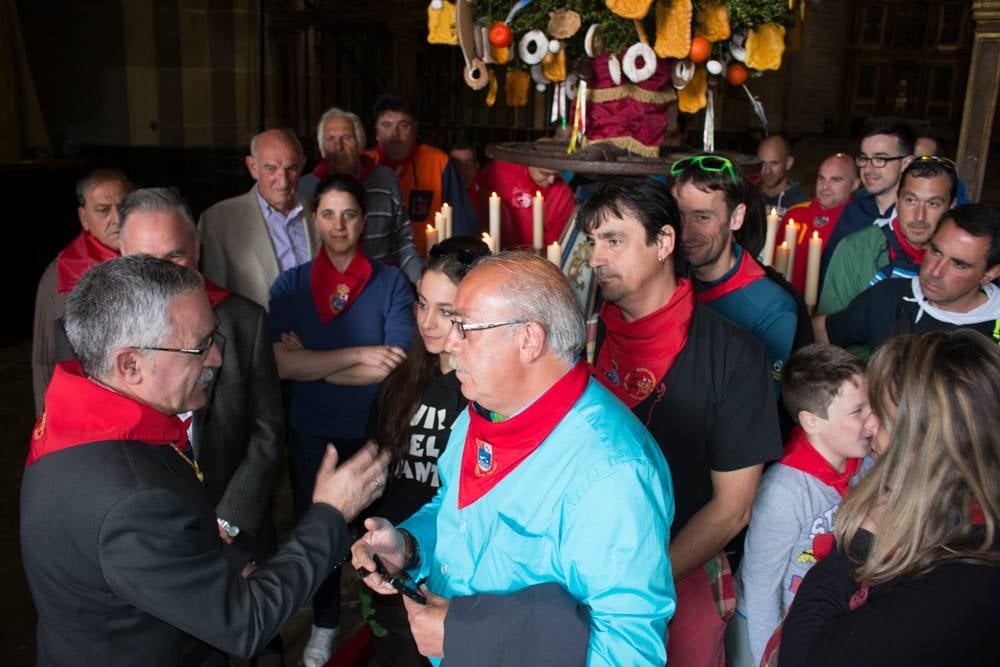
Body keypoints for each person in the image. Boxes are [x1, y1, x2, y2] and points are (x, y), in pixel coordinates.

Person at [20, 254, 389, 666]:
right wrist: (330, 513)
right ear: (130, 364)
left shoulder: (75, 423)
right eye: (199, 347)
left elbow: (149, 555)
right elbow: (244, 623)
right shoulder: (130, 497)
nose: (216, 359)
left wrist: (217, 554)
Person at [352, 251, 675, 666]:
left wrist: (466, 638)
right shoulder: (480, 414)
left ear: (529, 339)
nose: (450, 343)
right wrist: (409, 547)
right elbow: (454, 510)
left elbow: (630, 654)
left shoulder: (613, 474)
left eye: (465, 327)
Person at [580, 178, 782, 667]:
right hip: (580, 577)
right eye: (591, 242)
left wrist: (639, 585)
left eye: (614, 240)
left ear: (664, 242)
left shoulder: (733, 355)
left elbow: (732, 509)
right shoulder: (579, 339)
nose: (594, 258)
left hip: (679, 577)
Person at [778, 330, 1000, 666]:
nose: (868, 424)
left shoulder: (957, 585)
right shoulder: (964, 521)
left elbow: (802, 657)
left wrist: (859, 542)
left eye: (879, 410)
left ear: (925, 442)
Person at [268, 173, 415, 667]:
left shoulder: (391, 280)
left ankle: (388, 618)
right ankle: (326, 623)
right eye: (328, 214)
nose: (338, 224)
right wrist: (359, 355)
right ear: (315, 219)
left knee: (377, 532)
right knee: (322, 532)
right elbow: (283, 366)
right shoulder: (289, 285)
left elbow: (394, 362)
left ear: (363, 220)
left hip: (374, 428)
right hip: (310, 428)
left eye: (348, 214)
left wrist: (316, 361)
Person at [118, 187, 283, 561]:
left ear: (197, 245)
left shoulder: (243, 321)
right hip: (138, 538)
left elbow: (266, 431)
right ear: (121, 256)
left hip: (232, 531)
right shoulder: (90, 335)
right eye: (145, 259)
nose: (162, 275)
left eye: (175, 255)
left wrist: (228, 520)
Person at [362, 235, 490, 666]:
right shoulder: (401, 384)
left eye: (446, 311)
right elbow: (377, 469)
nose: (428, 322)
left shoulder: (488, 395)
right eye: (421, 304)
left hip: (458, 575)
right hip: (395, 563)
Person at [730, 344, 876, 666]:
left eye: (872, 406)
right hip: (775, 633)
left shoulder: (866, 466)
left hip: (828, 620)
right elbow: (760, 589)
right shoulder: (784, 492)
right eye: (858, 411)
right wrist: (770, 659)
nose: (872, 421)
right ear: (811, 422)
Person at [672, 154, 798, 394]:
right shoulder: (664, 280)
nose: (686, 233)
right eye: (679, 216)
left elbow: (758, 403)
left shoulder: (771, 307)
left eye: (702, 217)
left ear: (736, 217)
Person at [814, 204, 1000, 351]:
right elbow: (821, 332)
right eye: (935, 251)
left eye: (958, 264)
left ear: (990, 274)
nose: (935, 272)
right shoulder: (888, 294)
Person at [32, 168, 133, 415]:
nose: (116, 219)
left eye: (123, 207)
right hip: (91, 408)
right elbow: (45, 363)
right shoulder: (61, 275)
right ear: (84, 218)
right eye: (102, 210)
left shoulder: (154, 252)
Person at [299, 106, 423, 284]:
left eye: (347, 137)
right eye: (330, 139)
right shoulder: (306, 189)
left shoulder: (386, 180)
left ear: (360, 144)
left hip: (380, 285)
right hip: (325, 289)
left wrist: (420, 281)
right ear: (321, 148)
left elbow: (402, 241)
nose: (338, 147)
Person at [819, 156, 956, 315]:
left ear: (951, 207)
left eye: (933, 204)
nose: (919, 216)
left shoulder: (962, 261)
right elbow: (829, 330)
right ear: (897, 202)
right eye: (911, 200)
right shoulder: (854, 250)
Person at [199, 128, 318, 309]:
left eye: (291, 168)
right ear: (253, 167)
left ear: (302, 165)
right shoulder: (218, 221)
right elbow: (216, 304)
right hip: (260, 336)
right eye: (271, 169)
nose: (283, 181)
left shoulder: (323, 210)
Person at [364, 94, 477, 250]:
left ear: (415, 130)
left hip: (426, 264)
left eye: (403, 125)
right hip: (374, 264)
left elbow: (461, 222)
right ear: (376, 131)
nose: (395, 133)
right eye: (386, 125)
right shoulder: (363, 163)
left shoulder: (438, 162)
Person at [821, 117, 915, 271]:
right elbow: (830, 268)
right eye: (864, 158)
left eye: (880, 159)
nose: (869, 169)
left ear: (906, 163)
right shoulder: (853, 212)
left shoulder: (917, 218)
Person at [774, 154, 859, 293]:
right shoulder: (795, 215)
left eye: (835, 180)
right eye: (821, 178)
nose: (825, 186)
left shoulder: (859, 223)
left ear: (855, 184)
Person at [474, 159, 576, 249]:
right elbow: (477, 198)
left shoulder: (562, 192)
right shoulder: (500, 170)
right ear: (530, 162)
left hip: (534, 257)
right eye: (545, 173)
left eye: (557, 174)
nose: (551, 180)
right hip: (497, 249)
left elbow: (557, 239)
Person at [756, 135, 809, 217]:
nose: (767, 171)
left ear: (788, 163)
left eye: (774, 163)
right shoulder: (748, 198)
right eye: (762, 163)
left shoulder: (801, 204)